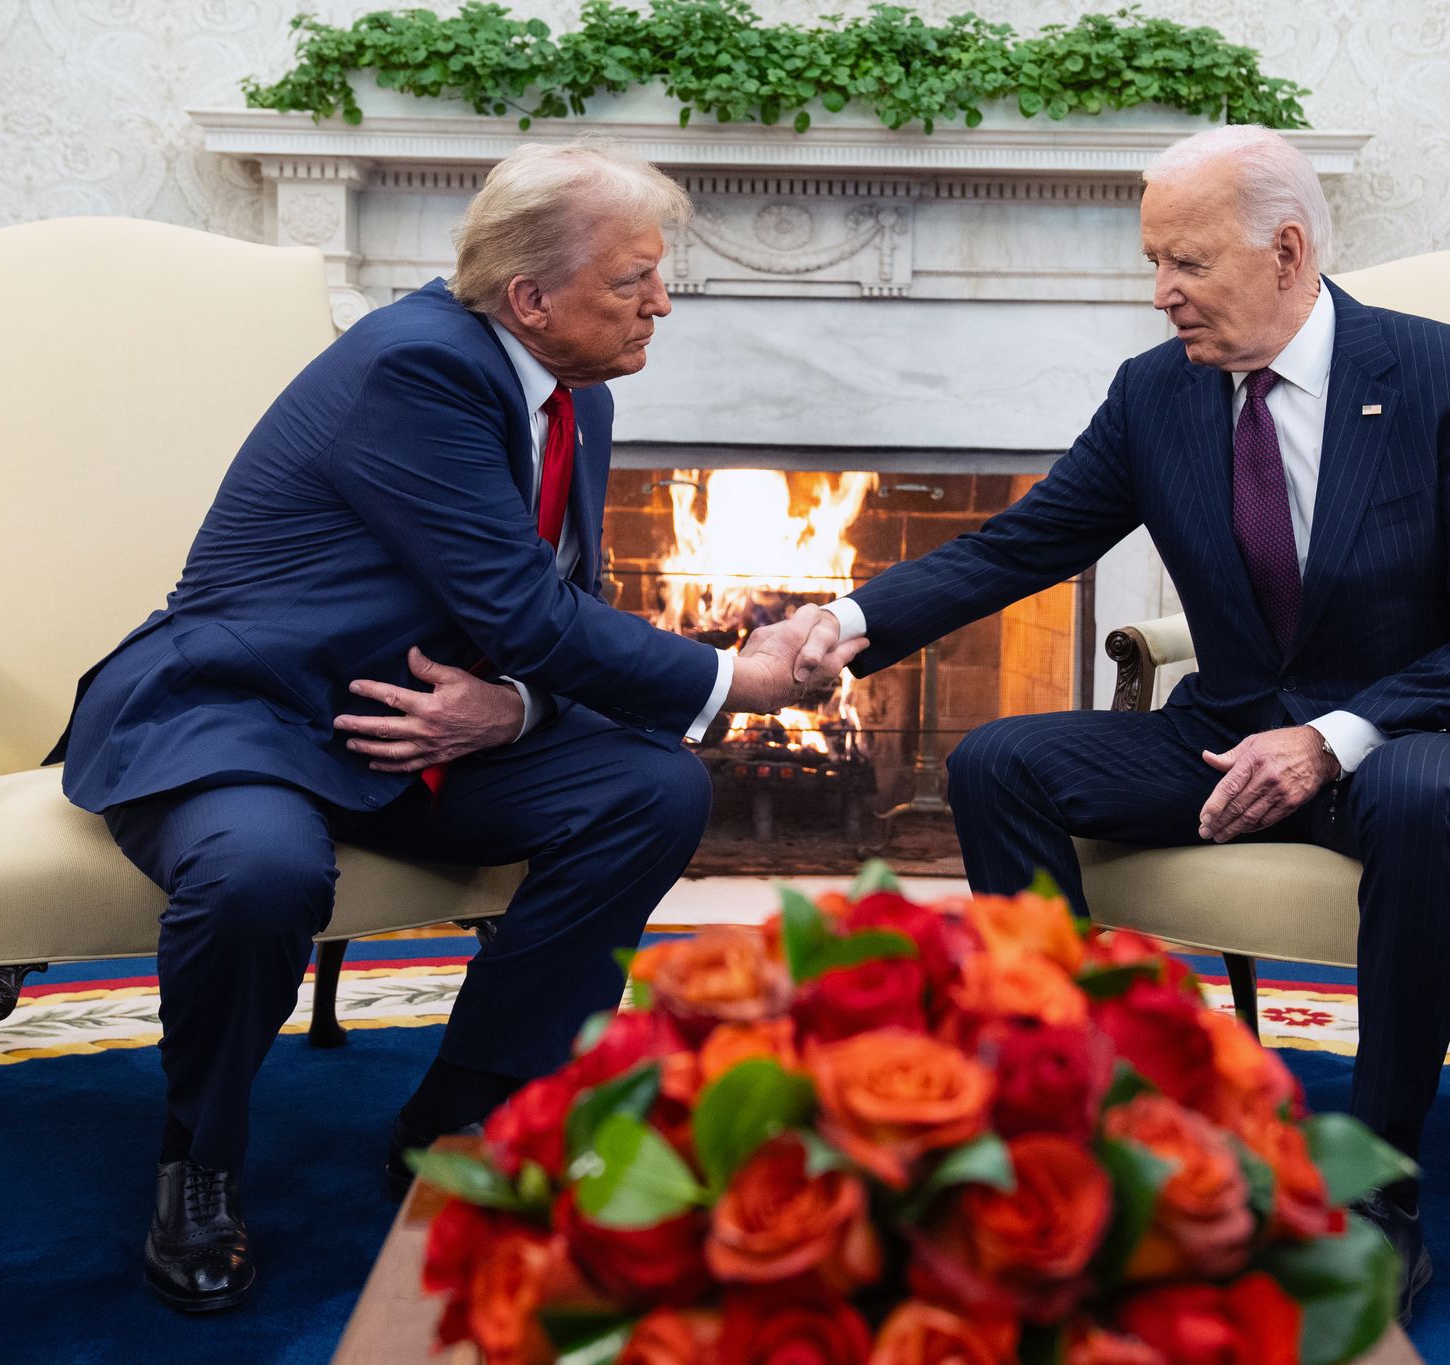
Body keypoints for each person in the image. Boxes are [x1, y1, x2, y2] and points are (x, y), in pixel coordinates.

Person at [47, 142, 865, 1313]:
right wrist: (731, 679)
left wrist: (519, 705)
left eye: (657, 275)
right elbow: (522, 606)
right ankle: (200, 1163)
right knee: (260, 874)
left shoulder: (572, 390)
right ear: (529, 298)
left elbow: (550, 608)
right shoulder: (417, 367)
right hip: (252, 713)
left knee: (652, 792)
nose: (661, 302)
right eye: (632, 280)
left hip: (412, 725)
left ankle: (465, 1115)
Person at [797, 125, 1450, 1325]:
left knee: (1412, 803)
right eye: (1153, 262)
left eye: (1187, 265)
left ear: (1288, 250)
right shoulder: (1156, 392)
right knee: (1001, 762)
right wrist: (845, 616)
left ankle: (1381, 1188)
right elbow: (1026, 541)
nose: (1160, 295)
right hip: (1225, 724)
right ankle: (1064, 1127)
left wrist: (1333, 738)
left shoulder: (1448, 376)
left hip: (1415, 736)